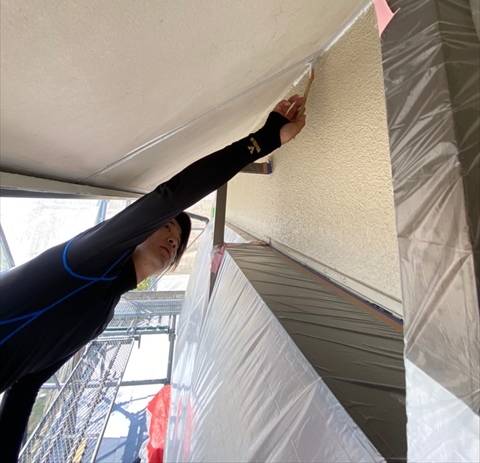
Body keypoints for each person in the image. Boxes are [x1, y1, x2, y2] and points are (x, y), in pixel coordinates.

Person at [0, 95, 306, 460]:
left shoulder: (101, 315)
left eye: (178, 237)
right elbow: (168, 197)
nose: (174, 238)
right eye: (166, 226)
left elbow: (26, 385)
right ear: (138, 230)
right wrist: (264, 139)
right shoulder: (84, 260)